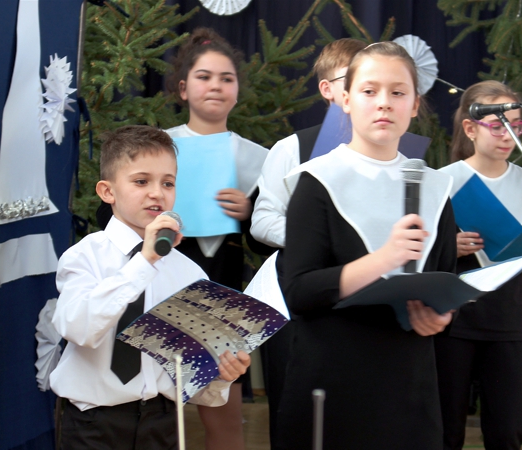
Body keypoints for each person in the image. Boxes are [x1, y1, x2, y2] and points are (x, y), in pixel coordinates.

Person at [276, 41, 457, 449]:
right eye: (369, 91)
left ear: (415, 105)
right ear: (345, 99)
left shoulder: (434, 186)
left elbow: (447, 277)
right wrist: (386, 258)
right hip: (335, 380)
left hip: (410, 383)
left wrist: (442, 316)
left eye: (398, 92)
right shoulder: (317, 181)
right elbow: (300, 290)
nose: (384, 103)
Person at [49, 125, 251, 450]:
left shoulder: (188, 273)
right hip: (94, 423)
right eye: (141, 181)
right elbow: (78, 328)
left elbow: (193, 379)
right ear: (107, 191)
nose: (157, 193)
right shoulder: (85, 256)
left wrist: (220, 374)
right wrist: (144, 262)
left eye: (167, 183)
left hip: (162, 422)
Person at [248, 38, 366, 448]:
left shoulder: (396, 153)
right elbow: (262, 220)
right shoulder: (292, 148)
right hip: (301, 299)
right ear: (327, 89)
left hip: (363, 302)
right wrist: (315, 240)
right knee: (295, 412)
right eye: (351, 79)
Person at [162, 27, 269, 450]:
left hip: (221, 296)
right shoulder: (159, 147)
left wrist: (249, 213)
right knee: (155, 418)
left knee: (224, 422)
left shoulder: (258, 158)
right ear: (183, 88)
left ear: (237, 91)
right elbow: (112, 213)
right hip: (159, 288)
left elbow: (269, 240)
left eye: (227, 78)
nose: (216, 86)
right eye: (204, 76)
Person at [435, 80, 522, 450]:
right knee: (446, 428)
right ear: (470, 129)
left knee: (506, 430)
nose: (508, 135)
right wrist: (449, 247)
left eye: (516, 126)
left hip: (506, 320)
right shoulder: (444, 182)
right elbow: (416, 253)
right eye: (497, 126)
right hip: (453, 321)